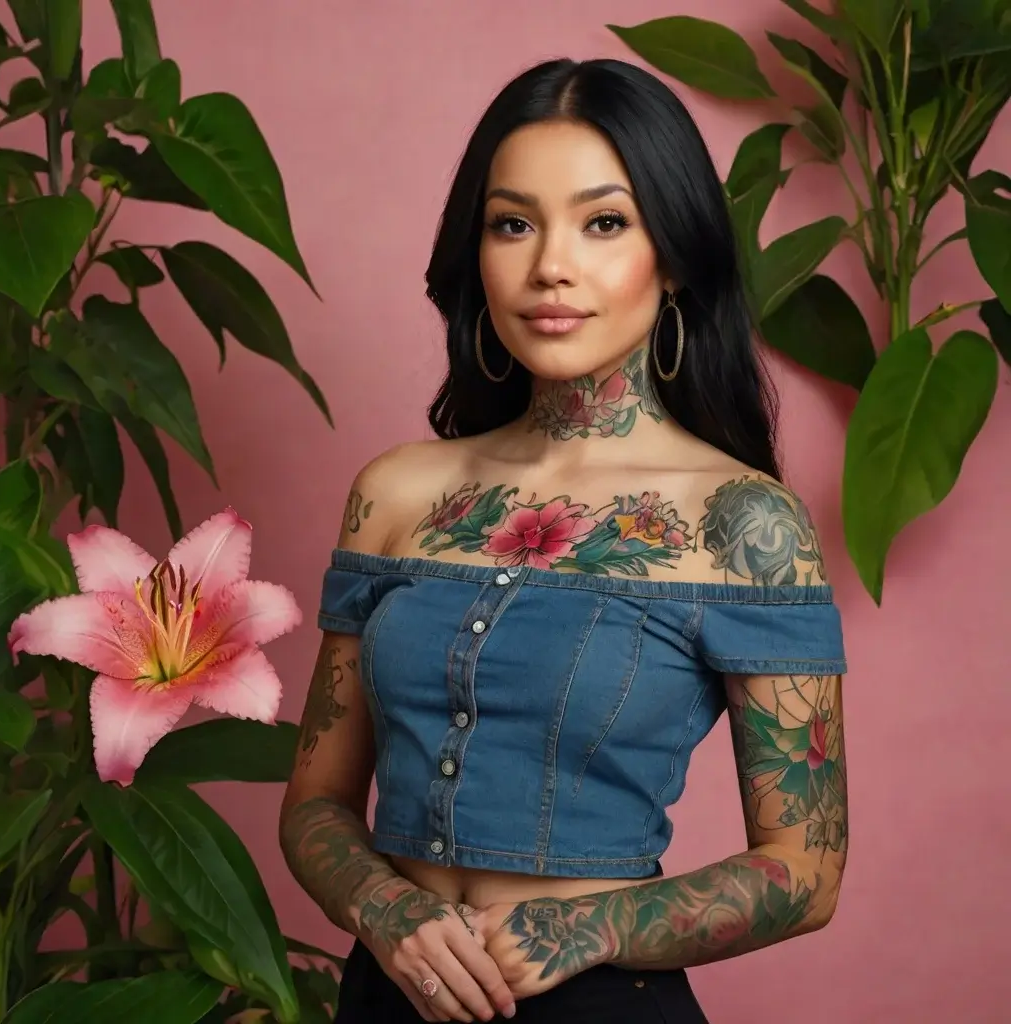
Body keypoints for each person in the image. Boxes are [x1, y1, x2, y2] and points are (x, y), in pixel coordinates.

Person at [280, 57, 848, 1024]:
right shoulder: (396, 493)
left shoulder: (744, 526)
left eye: (604, 222)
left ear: (671, 253)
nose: (551, 264)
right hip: (387, 994)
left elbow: (806, 870)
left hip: (600, 1003)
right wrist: (387, 913)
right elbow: (315, 805)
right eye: (513, 223)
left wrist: (588, 928)